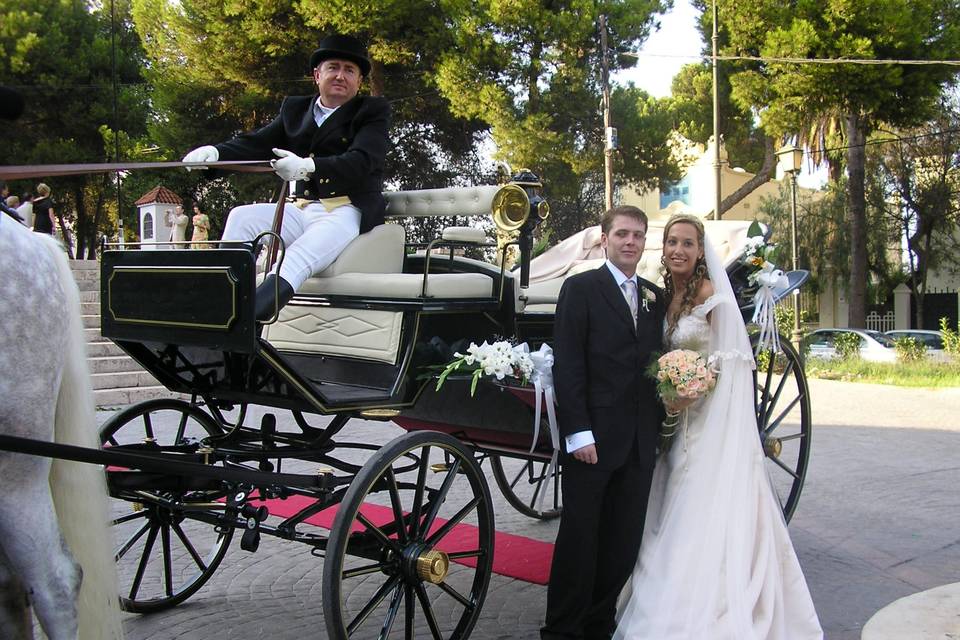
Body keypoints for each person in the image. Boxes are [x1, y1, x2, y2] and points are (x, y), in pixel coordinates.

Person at [613, 213, 823, 640]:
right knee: (670, 495)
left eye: (687, 243)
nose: (678, 250)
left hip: (709, 421)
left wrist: (693, 388)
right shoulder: (662, 297)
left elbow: (731, 366)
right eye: (672, 242)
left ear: (699, 250)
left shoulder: (712, 296)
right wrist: (672, 393)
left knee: (697, 499)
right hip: (676, 417)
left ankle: (704, 599)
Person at [181, 33, 390, 320]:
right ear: (317, 75)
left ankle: (245, 322)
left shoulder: (372, 112)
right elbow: (256, 142)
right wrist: (215, 155)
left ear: (359, 81)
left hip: (345, 210)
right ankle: (213, 303)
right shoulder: (295, 110)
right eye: (333, 67)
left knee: (295, 258)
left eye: (349, 70)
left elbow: (363, 160)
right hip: (301, 209)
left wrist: (307, 166)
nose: (341, 75)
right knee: (241, 217)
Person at [542, 205, 665, 640]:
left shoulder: (654, 296)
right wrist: (578, 432)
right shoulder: (581, 288)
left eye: (638, 235)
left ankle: (598, 625)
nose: (630, 242)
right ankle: (561, 630)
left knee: (622, 544)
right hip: (591, 440)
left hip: (637, 443)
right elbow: (569, 365)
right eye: (623, 234)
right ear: (605, 238)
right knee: (580, 541)